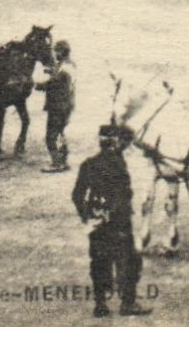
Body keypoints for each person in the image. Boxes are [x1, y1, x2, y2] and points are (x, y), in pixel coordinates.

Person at [72, 125, 146, 318]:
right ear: (114, 144)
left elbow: (77, 195)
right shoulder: (118, 164)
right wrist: (115, 215)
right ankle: (127, 303)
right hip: (119, 223)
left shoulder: (88, 164)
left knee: (98, 262)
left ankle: (100, 305)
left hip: (96, 222)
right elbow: (124, 196)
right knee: (130, 260)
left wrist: (86, 217)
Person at [36, 40, 75, 173]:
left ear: (62, 52)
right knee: (60, 133)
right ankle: (63, 161)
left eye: (56, 51)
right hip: (67, 104)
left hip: (57, 105)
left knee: (51, 136)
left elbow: (55, 83)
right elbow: (59, 77)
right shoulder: (70, 64)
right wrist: (51, 71)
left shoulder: (63, 68)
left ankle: (57, 163)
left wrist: (38, 85)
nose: (54, 54)